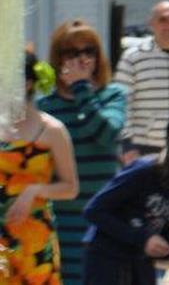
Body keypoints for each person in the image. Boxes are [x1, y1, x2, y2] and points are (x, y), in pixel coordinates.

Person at [81, 106, 169, 285]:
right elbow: (93, 210)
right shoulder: (145, 169)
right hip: (107, 262)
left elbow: (165, 246)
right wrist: (142, 238)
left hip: (141, 267)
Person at [37, 19, 127, 285]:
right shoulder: (46, 106)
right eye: (72, 53)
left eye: (89, 51)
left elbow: (106, 134)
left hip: (101, 219)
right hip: (61, 221)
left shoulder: (113, 96)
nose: (82, 59)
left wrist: (80, 90)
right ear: (58, 58)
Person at [0, 52, 80, 283]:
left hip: (35, 238)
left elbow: (71, 187)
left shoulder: (52, 130)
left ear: (27, 83)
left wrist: (34, 191)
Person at [115, 1, 169, 165]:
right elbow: (121, 103)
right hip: (144, 148)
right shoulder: (133, 57)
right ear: (151, 23)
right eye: (162, 20)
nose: (168, 25)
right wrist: (126, 144)